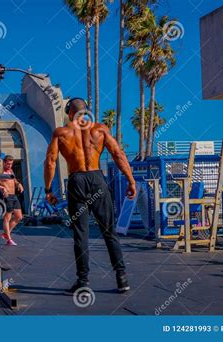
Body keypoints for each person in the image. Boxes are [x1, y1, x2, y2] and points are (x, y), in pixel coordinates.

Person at [43, 98, 136, 293]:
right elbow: (118, 154)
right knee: (109, 231)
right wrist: (131, 180)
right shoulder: (100, 129)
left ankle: (83, 281)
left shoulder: (62, 133)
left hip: (77, 181)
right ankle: (122, 278)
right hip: (96, 179)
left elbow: (51, 161)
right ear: (85, 111)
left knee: (80, 234)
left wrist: (48, 189)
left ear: (69, 112)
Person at [0, 155, 24, 246]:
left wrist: (18, 184)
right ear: (4, 163)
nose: (10, 166)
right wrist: (2, 188)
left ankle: (5, 233)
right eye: (8, 164)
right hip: (7, 196)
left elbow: (14, 180)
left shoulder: (11, 170)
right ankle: (9, 239)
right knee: (7, 218)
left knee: (19, 217)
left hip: (14, 196)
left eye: (11, 164)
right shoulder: (0, 171)